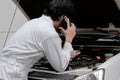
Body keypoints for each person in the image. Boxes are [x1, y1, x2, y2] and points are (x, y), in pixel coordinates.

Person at [0, 0, 80, 80]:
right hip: (12, 74)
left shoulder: (33, 22)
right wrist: (69, 39)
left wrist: (67, 54)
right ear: (62, 18)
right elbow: (60, 66)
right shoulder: (49, 33)